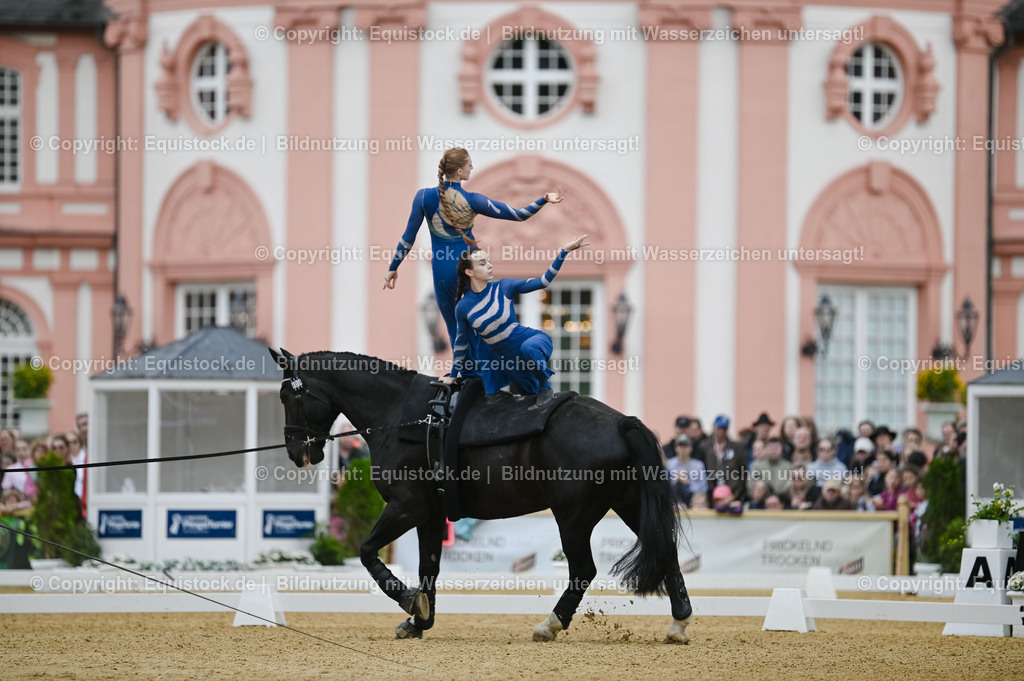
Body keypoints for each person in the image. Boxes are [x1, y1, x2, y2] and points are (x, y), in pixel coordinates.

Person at [384, 148, 563, 348]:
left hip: (442, 270)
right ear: (459, 171)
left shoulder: (423, 197)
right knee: (478, 322)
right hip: (469, 268)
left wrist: (393, 267)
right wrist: (544, 199)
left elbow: (408, 237)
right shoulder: (473, 200)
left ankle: (461, 371)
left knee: (454, 326)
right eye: (469, 164)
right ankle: (483, 371)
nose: (472, 167)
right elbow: (519, 215)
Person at [443, 235, 588, 404]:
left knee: (529, 348)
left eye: (489, 261)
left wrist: (564, 252)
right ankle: (496, 392)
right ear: (469, 272)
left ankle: (545, 386)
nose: (489, 266)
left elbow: (543, 281)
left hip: (530, 342)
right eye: (482, 264)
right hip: (506, 359)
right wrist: (453, 376)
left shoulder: (505, 286)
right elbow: (461, 344)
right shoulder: (463, 307)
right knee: (522, 389)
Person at [699, 414, 746, 504]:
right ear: (714, 427)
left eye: (724, 429)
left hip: (731, 494)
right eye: (719, 428)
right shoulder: (704, 447)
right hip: (709, 494)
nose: (721, 431)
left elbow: (742, 473)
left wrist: (734, 495)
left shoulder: (736, 448)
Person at [666, 434, 707, 509]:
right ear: (676, 448)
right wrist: (676, 480)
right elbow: (665, 486)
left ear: (691, 448)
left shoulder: (698, 465)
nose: (683, 448)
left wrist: (688, 483)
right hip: (673, 500)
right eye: (680, 445)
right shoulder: (669, 464)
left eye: (686, 445)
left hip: (693, 501)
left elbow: (703, 487)